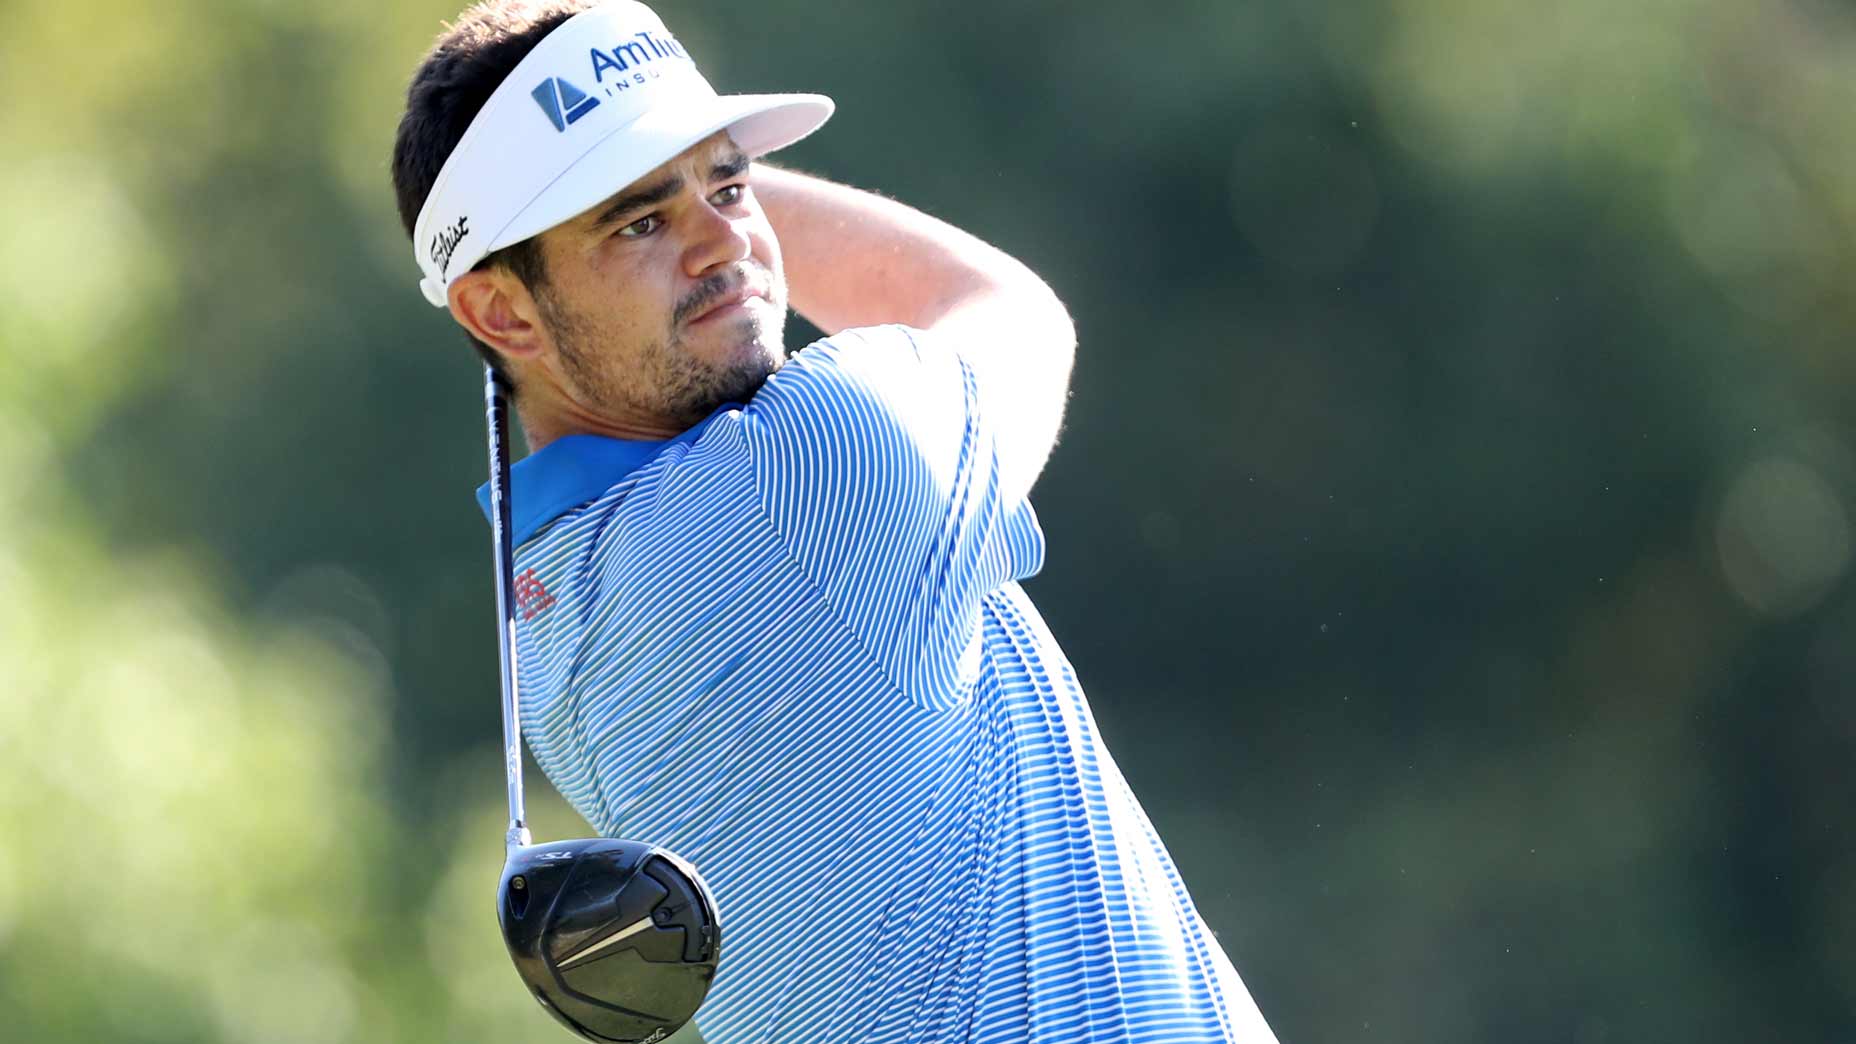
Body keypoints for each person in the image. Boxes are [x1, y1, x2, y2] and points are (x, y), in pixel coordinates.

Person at [392, 2, 1280, 1041]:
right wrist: (701, 156)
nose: (726, 239)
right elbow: (998, 302)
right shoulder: (802, 475)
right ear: (500, 311)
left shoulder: (538, 604)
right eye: (638, 221)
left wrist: (649, 164)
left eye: (727, 186)